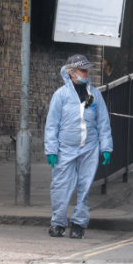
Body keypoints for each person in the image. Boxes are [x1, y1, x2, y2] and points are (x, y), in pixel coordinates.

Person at [44, 54, 113, 239]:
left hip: (89, 148)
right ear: (72, 73)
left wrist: (106, 147)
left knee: (84, 186)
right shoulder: (61, 95)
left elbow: (103, 123)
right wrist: (51, 150)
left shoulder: (95, 94)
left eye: (87, 69)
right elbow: (52, 125)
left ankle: (79, 224)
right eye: (83, 70)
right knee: (60, 186)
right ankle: (58, 223)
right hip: (65, 148)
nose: (86, 73)